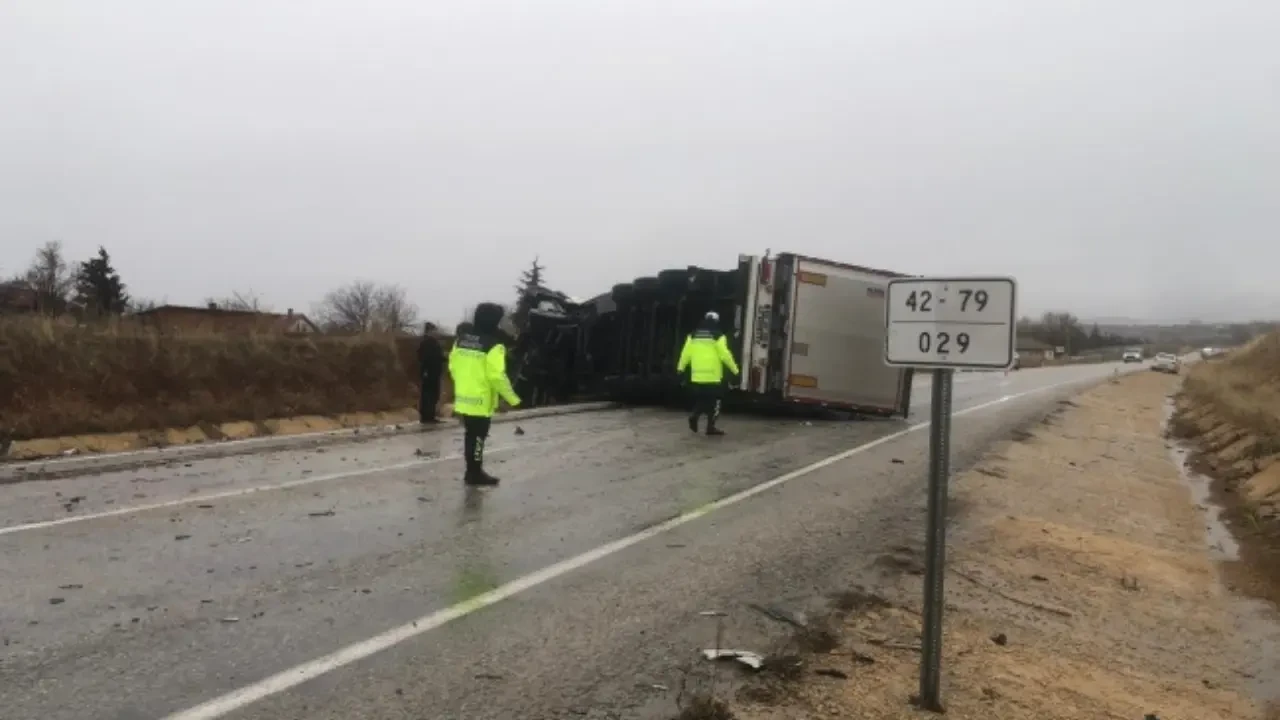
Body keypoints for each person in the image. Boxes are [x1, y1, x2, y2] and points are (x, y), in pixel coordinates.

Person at [448, 303, 521, 485]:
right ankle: (475, 473)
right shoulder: (494, 345)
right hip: (480, 401)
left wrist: (465, 384)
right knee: (478, 438)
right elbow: (497, 376)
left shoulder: (461, 340)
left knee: (469, 436)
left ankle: (470, 471)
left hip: (464, 398)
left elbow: (452, 366)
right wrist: (512, 399)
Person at [676, 310, 740, 436]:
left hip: (697, 375)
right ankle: (710, 427)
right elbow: (725, 355)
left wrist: (680, 368)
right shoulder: (718, 336)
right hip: (713, 375)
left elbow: (685, 353)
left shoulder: (692, 335)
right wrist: (735, 370)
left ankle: (694, 415)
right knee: (715, 401)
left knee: (703, 398)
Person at [417, 322, 444, 425]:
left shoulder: (433, 342)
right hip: (429, 373)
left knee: (433, 395)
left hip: (434, 372)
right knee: (428, 395)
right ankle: (427, 417)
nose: (436, 332)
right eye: (434, 330)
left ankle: (430, 415)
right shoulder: (426, 343)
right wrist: (425, 371)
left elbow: (437, 356)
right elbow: (424, 358)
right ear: (429, 331)